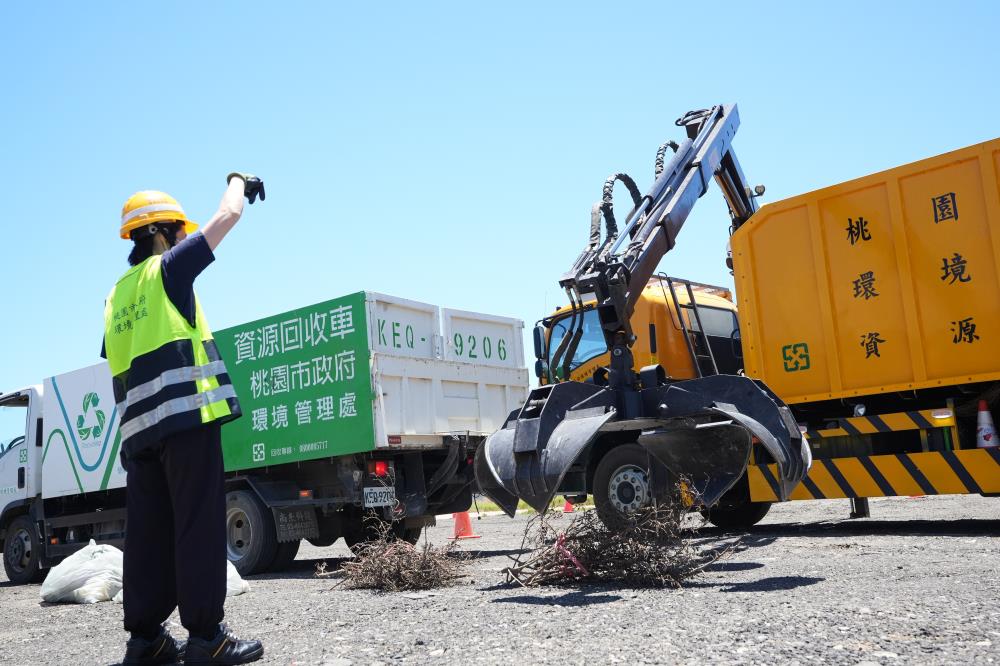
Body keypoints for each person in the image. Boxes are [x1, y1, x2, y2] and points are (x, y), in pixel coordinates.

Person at [103, 174, 265, 665]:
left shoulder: (115, 296)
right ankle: (206, 637)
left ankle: (146, 641)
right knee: (197, 524)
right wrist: (239, 180)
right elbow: (228, 216)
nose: (181, 237)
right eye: (177, 229)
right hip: (185, 423)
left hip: (139, 436)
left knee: (148, 535)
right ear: (160, 233)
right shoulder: (167, 271)